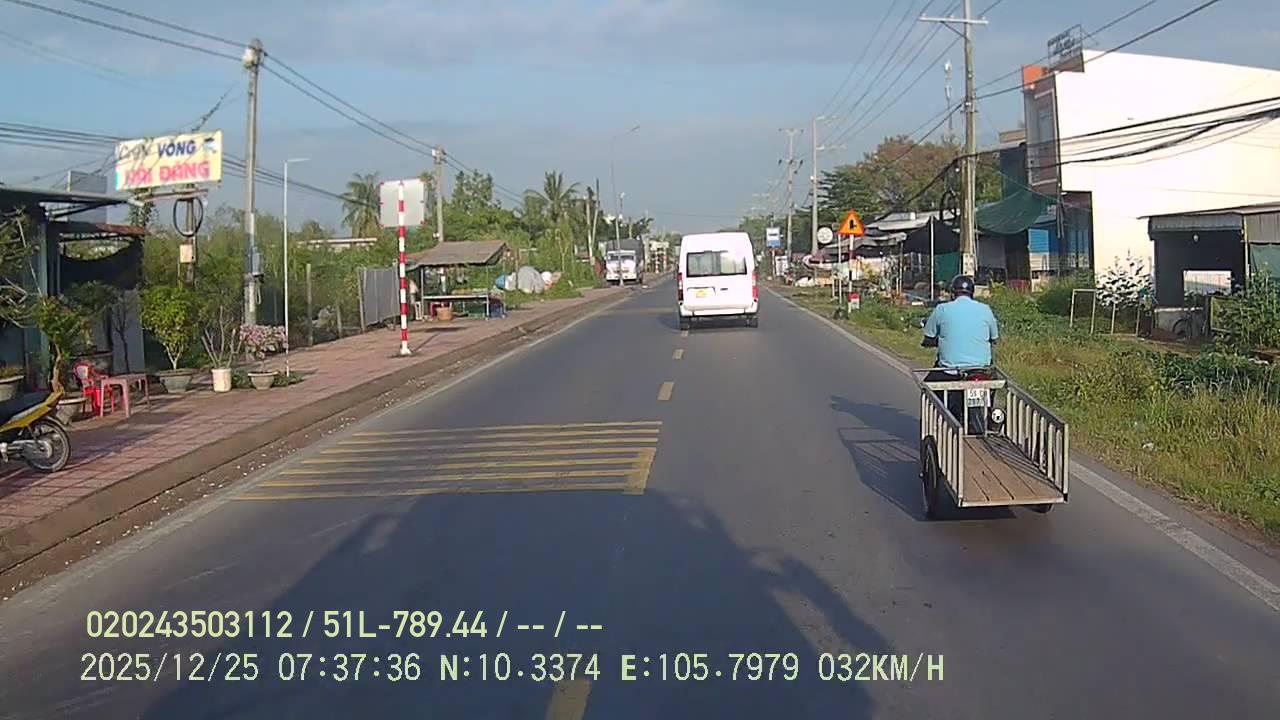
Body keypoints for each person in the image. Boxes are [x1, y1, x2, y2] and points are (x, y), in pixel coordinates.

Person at [921, 275, 999, 431]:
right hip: (981, 369)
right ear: (972, 292)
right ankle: (990, 413)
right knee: (993, 380)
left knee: (928, 388)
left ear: (952, 293)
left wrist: (933, 341)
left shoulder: (942, 309)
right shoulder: (985, 309)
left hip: (950, 371)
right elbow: (994, 338)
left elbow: (929, 337)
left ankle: (935, 427)